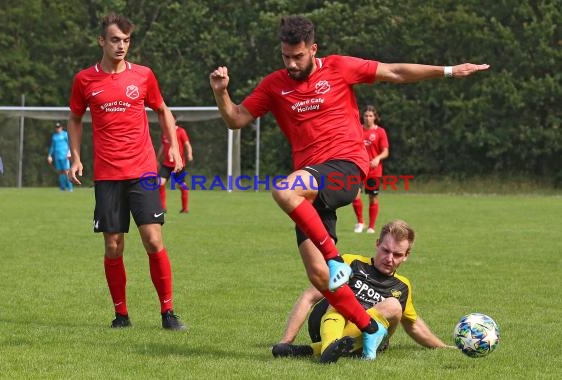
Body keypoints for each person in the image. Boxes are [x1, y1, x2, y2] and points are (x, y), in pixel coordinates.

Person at [209, 15, 488, 359]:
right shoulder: (274, 85)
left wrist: (448, 71)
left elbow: (395, 72)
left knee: (284, 190)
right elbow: (235, 119)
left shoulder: (340, 68)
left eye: (298, 56)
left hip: (345, 168)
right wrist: (221, 93)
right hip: (311, 183)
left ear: (313, 49)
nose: (292, 63)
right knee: (320, 276)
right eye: (286, 57)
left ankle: (334, 258)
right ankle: (369, 328)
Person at [67, 12, 187, 331]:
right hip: (107, 174)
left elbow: (162, 110)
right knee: (113, 245)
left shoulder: (144, 76)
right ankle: (121, 315)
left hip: (143, 170)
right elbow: (75, 118)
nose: (122, 46)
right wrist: (75, 157)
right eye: (116, 40)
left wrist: (173, 146)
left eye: (127, 40)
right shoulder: (84, 80)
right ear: (101, 41)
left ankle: (168, 312)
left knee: (153, 238)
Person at [272, 220, 454, 363]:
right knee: (342, 299)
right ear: (377, 244)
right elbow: (309, 297)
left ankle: (314, 350)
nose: (389, 259)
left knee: (393, 305)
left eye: (397, 254)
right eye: (385, 250)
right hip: (329, 326)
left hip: (368, 339)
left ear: (406, 256)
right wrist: (286, 341)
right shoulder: (351, 262)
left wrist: (442, 347)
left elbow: (413, 325)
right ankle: (327, 347)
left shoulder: (402, 286)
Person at [352, 106, 388, 234]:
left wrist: (378, 158)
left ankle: (371, 226)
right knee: (354, 195)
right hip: (359, 168)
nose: (368, 118)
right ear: (363, 117)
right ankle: (360, 222)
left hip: (374, 170)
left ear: (375, 117)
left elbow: (385, 151)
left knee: (373, 197)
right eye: (366, 116)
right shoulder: (358, 130)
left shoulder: (380, 132)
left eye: (371, 116)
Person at [156, 123, 193, 213]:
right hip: (166, 164)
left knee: (182, 186)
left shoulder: (181, 131)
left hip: (178, 164)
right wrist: (158, 158)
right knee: (160, 182)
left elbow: (187, 144)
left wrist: (189, 154)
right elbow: (163, 146)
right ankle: (163, 208)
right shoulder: (165, 132)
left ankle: (185, 208)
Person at [47, 122, 73, 191]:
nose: (58, 129)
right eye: (56, 127)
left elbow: (70, 144)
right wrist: (50, 155)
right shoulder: (54, 136)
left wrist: (69, 153)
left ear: (61, 128)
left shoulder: (65, 134)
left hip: (65, 156)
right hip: (57, 156)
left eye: (59, 127)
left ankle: (70, 187)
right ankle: (62, 187)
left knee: (67, 171)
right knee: (61, 172)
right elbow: (52, 147)